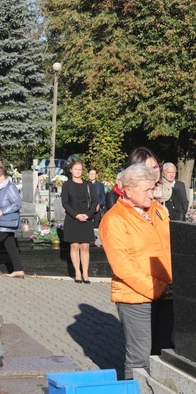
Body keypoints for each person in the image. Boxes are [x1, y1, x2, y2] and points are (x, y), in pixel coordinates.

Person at [98, 163, 173, 380]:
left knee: (162, 353)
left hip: (167, 294)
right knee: (139, 358)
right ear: (128, 191)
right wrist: (158, 289)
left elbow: (170, 249)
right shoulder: (114, 220)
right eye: (147, 190)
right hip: (136, 297)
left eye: (153, 188)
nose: (152, 194)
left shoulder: (158, 211)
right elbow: (123, 266)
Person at [60, 157, 98, 284]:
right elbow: (65, 203)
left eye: (80, 170)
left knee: (85, 246)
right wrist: (76, 215)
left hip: (86, 218)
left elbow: (94, 201)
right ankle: (77, 272)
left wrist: (88, 214)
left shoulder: (88, 184)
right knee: (75, 245)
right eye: (75, 169)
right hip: (72, 218)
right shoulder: (67, 185)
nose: (78, 172)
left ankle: (86, 273)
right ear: (71, 170)